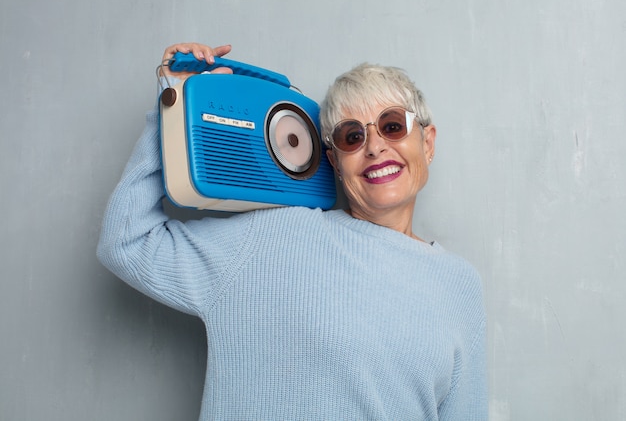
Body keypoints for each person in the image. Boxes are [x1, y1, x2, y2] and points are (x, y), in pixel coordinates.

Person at [97, 42, 487, 420]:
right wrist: (172, 102)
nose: (374, 147)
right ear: (334, 159)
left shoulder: (460, 285)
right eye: (352, 136)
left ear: (428, 143)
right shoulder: (272, 237)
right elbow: (127, 242)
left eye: (392, 125)